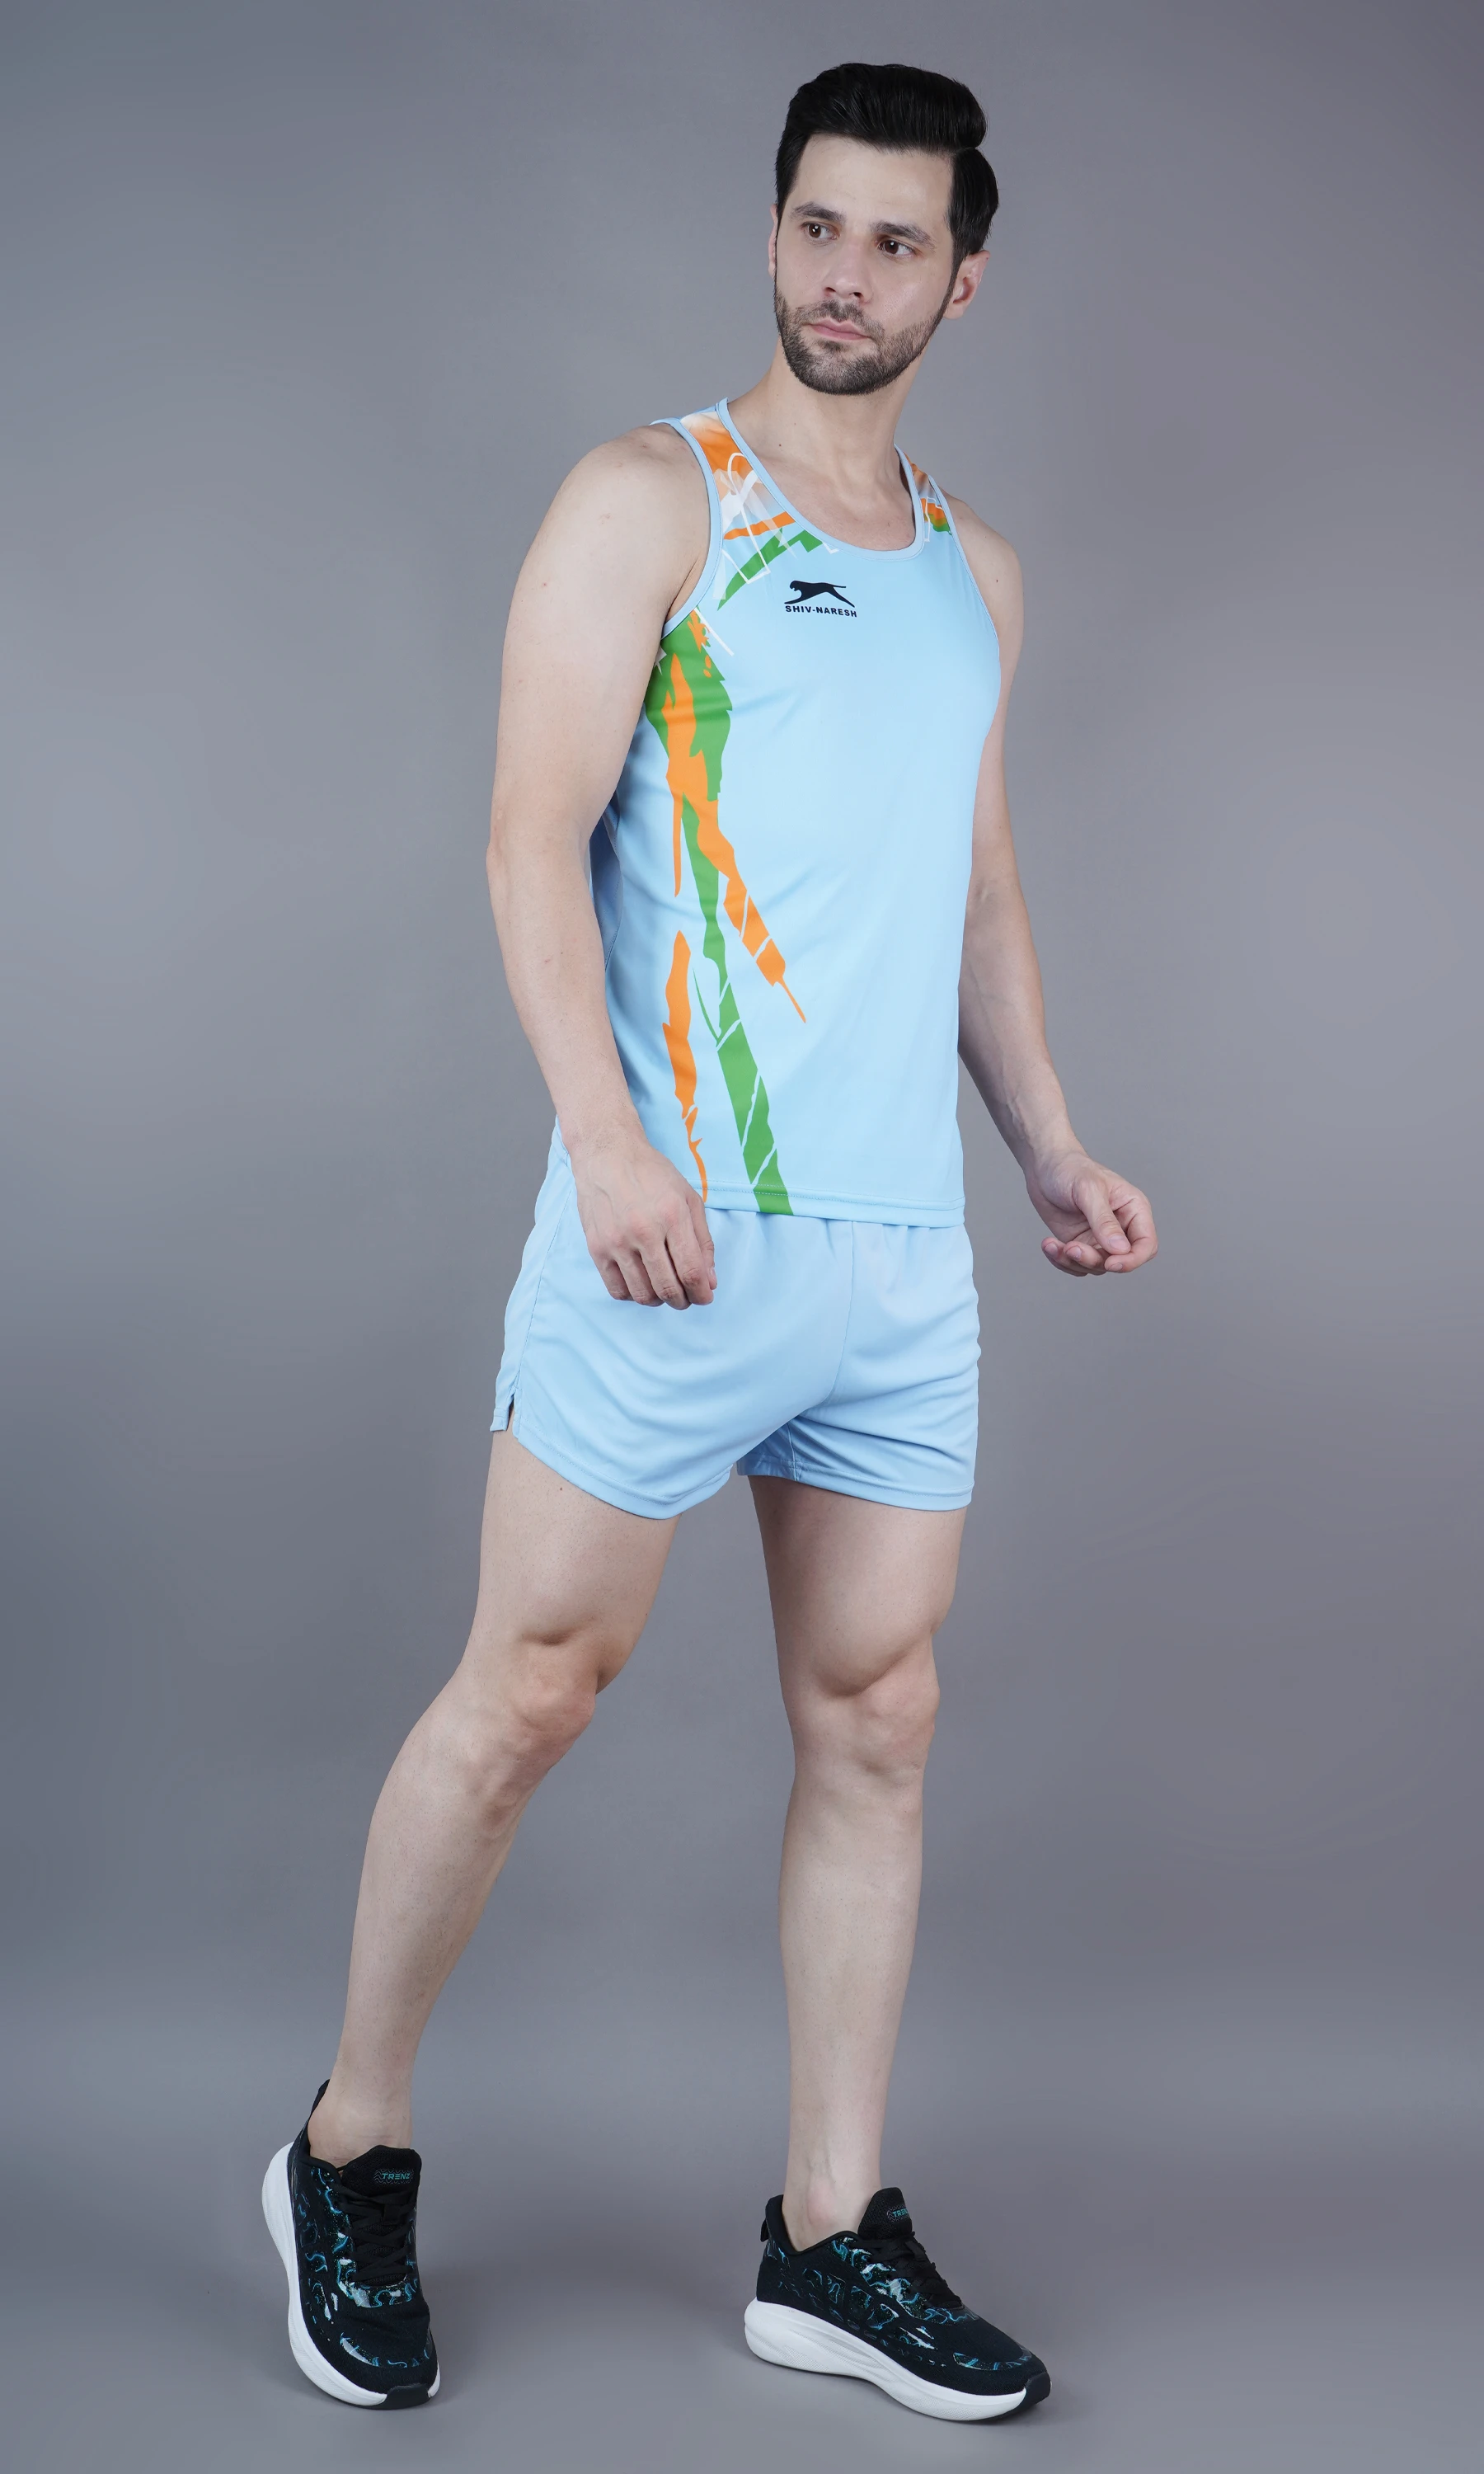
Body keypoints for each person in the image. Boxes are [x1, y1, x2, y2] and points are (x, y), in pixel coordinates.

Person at [261, 58, 1156, 2422]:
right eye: (816, 228)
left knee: (879, 1717)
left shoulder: (978, 576)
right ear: (773, 234)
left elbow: (972, 893)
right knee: (534, 1687)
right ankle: (347, 2148)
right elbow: (525, 837)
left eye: (895, 243)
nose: (845, 277)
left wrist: (1048, 1145)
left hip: (897, 1261)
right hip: (670, 1228)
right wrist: (606, 1146)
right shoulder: (650, 500)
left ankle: (829, 2239)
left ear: (966, 279)